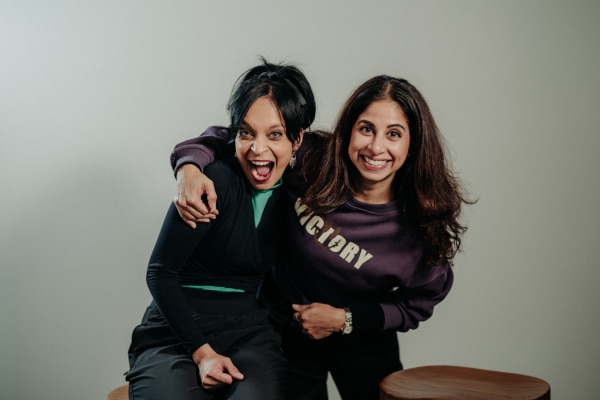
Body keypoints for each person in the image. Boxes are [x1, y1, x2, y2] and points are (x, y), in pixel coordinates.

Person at [170, 76, 472, 400]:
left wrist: (345, 320)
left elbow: (417, 304)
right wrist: (189, 167)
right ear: (349, 130)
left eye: (394, 134)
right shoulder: (312, 161)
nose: (375, 147)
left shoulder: (419, 231)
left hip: (360, 334)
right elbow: (236, 137)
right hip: (283, 323)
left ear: (413, 144)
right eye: (366, 128)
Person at [125, 59, 316, 400]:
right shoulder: (213, 181)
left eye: (275, 134)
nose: (258, 149)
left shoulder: (297, 189)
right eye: (247, 133)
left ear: (297, 138)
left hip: (250, 332)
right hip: (176, 331)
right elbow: (160, 272)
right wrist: (202, 353)